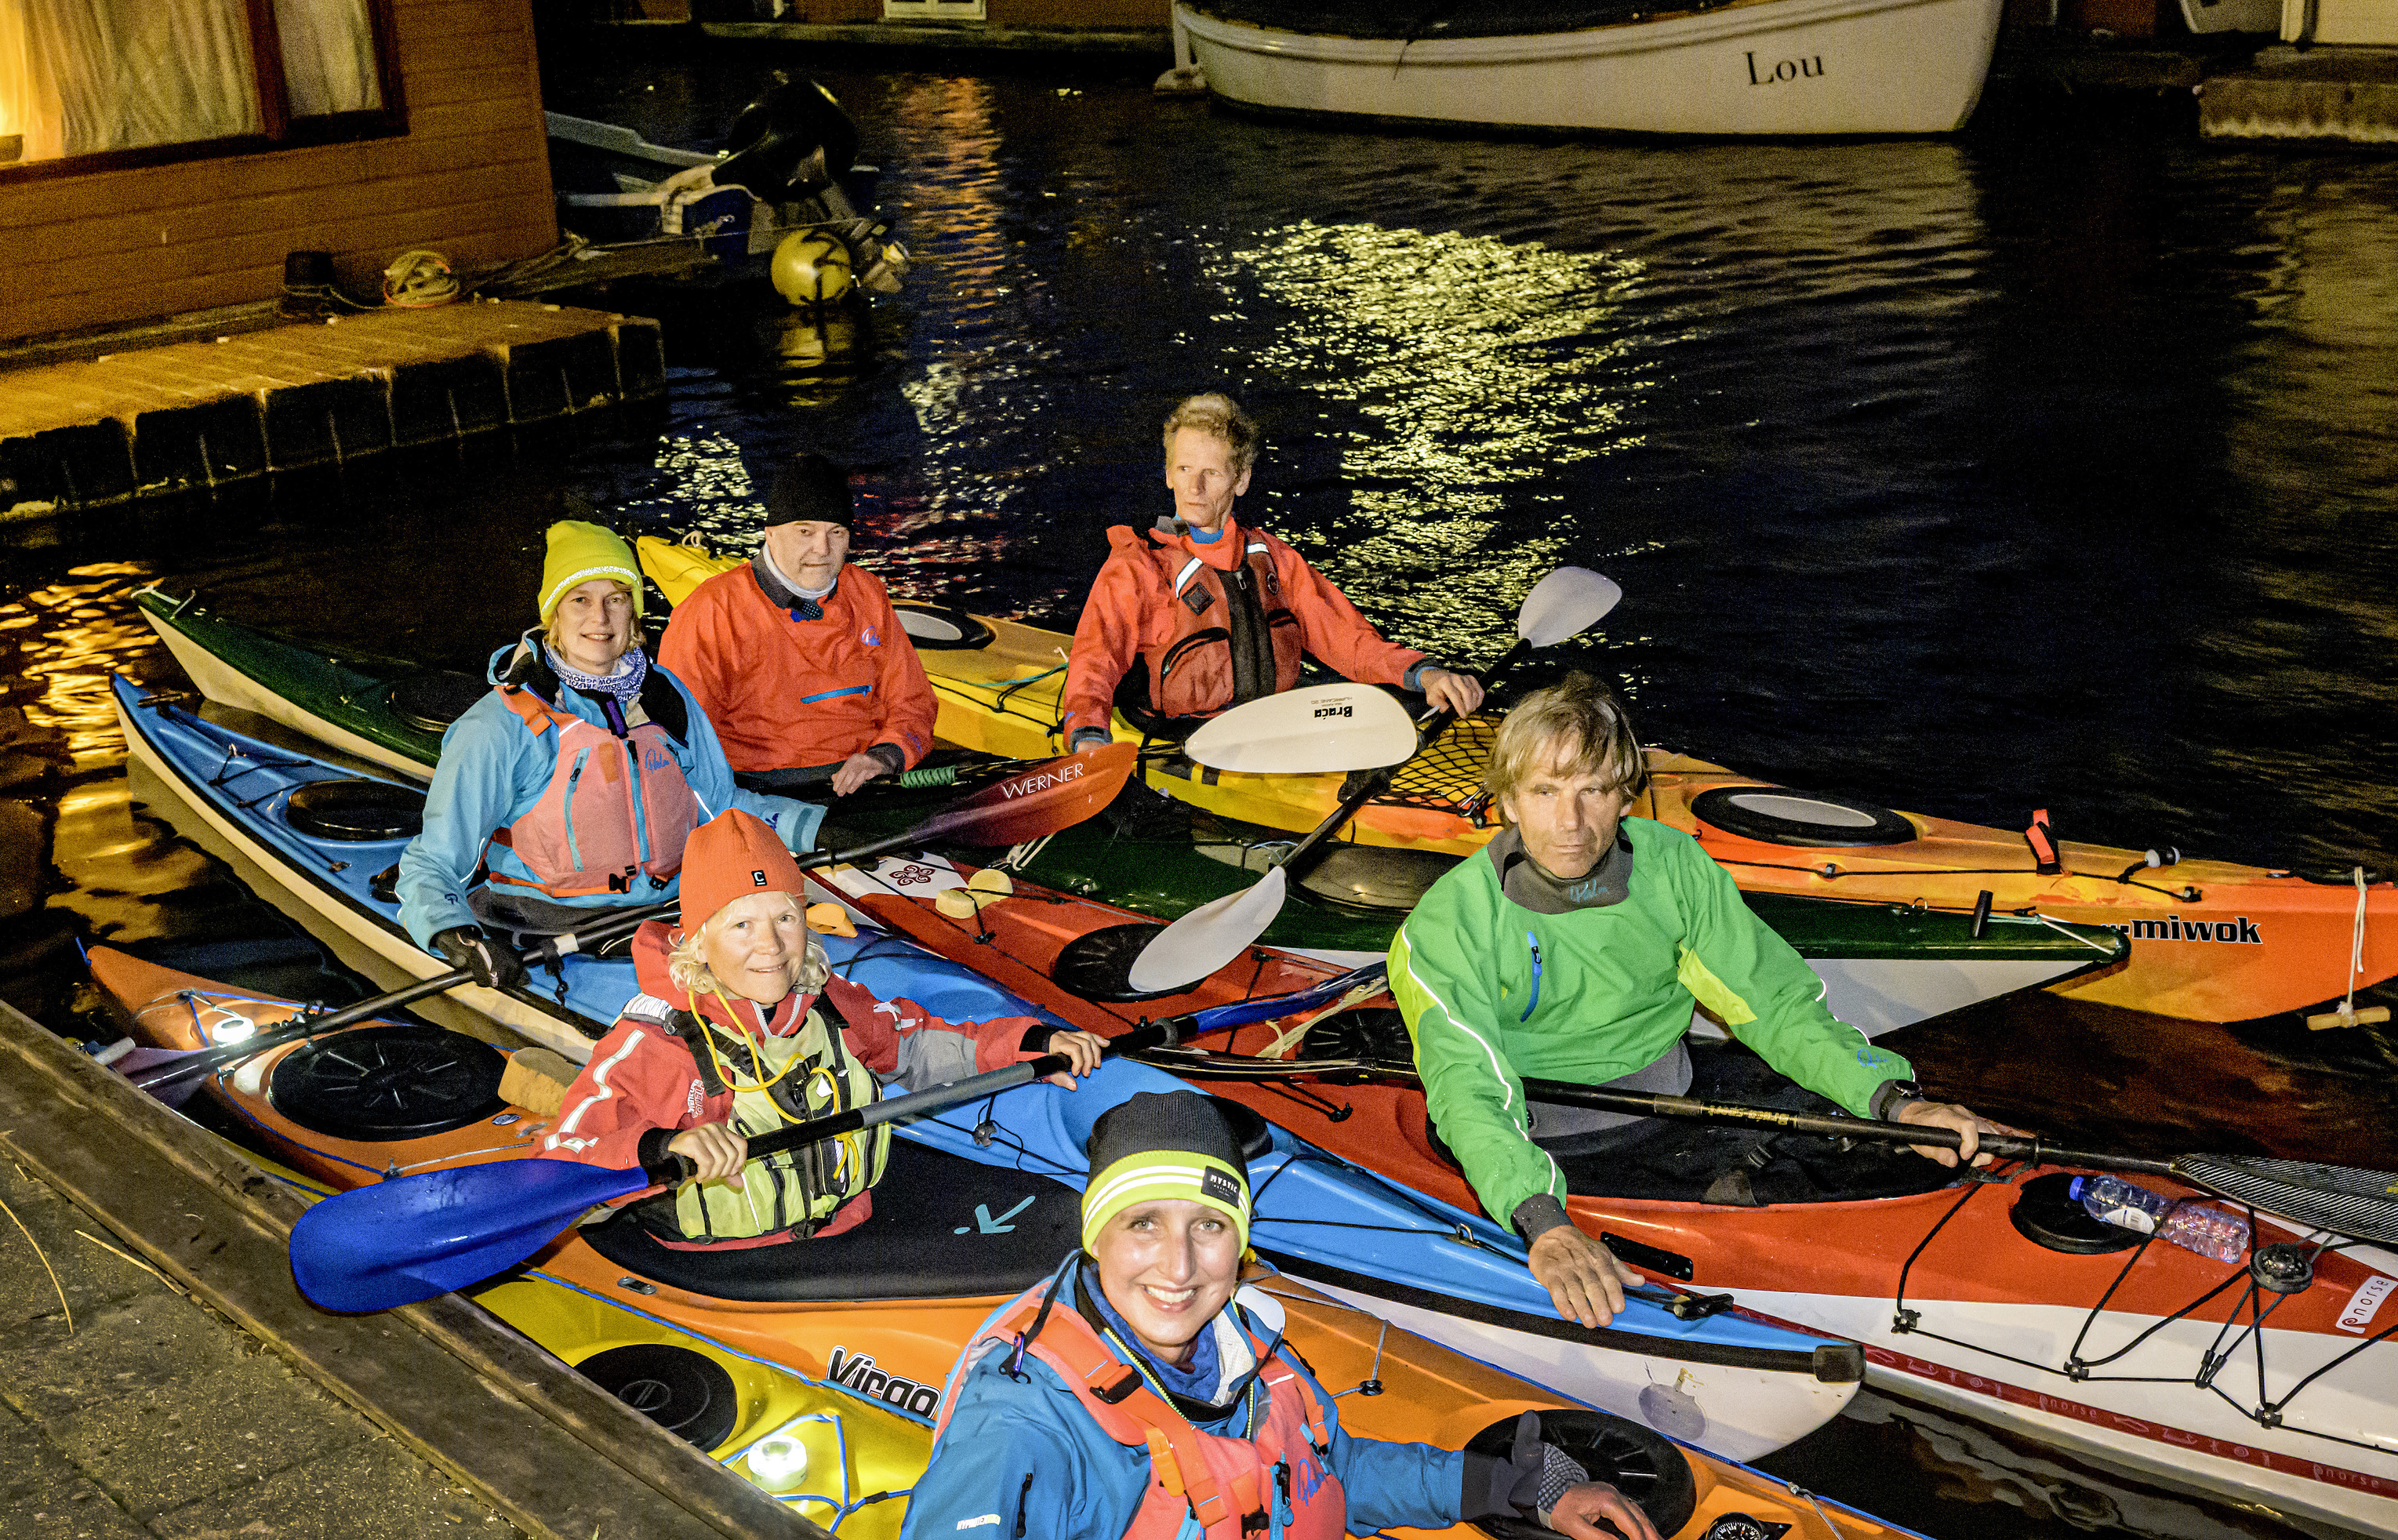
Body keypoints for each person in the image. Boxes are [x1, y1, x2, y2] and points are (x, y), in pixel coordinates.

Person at [880, 1091, 1672, 1540]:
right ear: (1097, 1236)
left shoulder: (1245, 1349)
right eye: (1144, 1224)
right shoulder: (1025, 1421)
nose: (1180, 1267)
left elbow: (1329, 1469)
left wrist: (1512, 1487)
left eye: (1210, 1226)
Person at [1386, 674, 2009, 1329]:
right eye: (1545, 792)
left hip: (1674, 1101)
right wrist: (1542, 1222)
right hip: (1545, 1146)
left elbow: (1774, 1005)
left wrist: (1896, 1103)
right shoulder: (1448, 923)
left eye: (1593, 790)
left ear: (1626, 797)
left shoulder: (1675, 865)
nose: (1571, 824)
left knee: (1872, 1141)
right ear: (1510, 803)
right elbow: (1467, 1088)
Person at [537, 809, 1104, 1243]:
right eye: (741, 925)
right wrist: (664, 1144)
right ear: (697, 942)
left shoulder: (825, 999)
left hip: (848, 1218)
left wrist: (1032, 1044)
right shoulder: (656, 1041)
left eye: (785, 917)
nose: (771, 946)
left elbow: (912, 1041)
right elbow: (564, 1154)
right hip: (730, 1263)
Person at [395, 521, 823, 1001]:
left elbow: (725, 810)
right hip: (552, 930)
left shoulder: (665, 697)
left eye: (617, 598)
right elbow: (433, 861)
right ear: (553, 613)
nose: (600, 617)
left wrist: (817, 829)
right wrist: (454, 935)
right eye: (580, 599)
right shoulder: (499, 727)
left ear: (634, 612)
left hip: (678, 911)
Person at [1058, 393, 1485, 753]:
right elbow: (1095, 662)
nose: (1194, 487)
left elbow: (1349, 642)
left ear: (1241, 480)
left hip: (1272, 731)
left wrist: (1424, 673)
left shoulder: (1275, 561)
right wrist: (1088, 736)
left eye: (1211, 472)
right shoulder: (1140, 568)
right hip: (1179, 741)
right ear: (1168, 473)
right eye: (1184, 469)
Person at [659, 452, 939, 799]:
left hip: (868, 779)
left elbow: (912, 700)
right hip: (765, 792)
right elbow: (682, 737)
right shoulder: (712, 610)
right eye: (804, 531)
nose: (822, 549)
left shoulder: (866, 591)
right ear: (771, 534)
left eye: (836, 532)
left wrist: (885, 756)